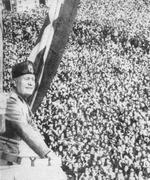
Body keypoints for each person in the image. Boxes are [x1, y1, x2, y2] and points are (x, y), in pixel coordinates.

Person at [0, 61, 67, 180]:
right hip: (5, 167)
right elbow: (23, 129)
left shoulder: (22, 103)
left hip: (14, 163)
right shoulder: (8, 100)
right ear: (14, 82)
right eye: (26, 79)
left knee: (56, 173)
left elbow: (34, 131)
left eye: (32, 79)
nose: (31, 83)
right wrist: (47, 153)